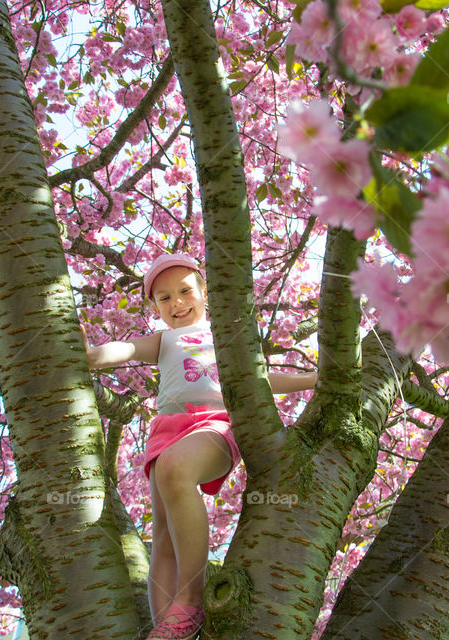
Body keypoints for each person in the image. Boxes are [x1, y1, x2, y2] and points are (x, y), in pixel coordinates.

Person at [81, 253, 316, 640]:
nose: (177, 303)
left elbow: (263, 380)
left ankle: (189, 599)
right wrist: (93, 356)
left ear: (205, 292)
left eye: (185, 291)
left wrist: (312, 379)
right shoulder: (164, 340)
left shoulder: (224, 338)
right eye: (164, 298)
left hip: (214, 425)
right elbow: (127, 349)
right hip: (167, 430)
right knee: (163, 538)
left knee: (176, 469)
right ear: (154, 307)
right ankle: (167, 628)